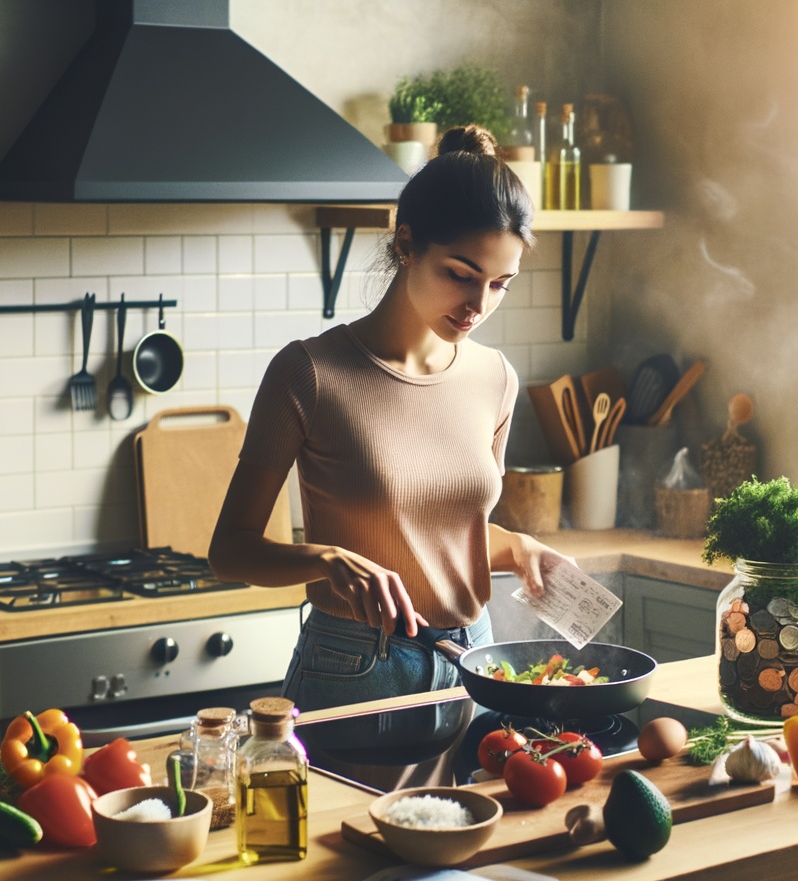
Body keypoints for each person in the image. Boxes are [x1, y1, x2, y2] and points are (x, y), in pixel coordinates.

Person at [209, 124, 572, 715]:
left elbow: (438, 534)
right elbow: (229, 551)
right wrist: (326, 559)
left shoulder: (496, 378)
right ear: (407, 244)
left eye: (500, 284)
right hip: (356, 666)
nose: (478, 305)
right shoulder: (309, 373)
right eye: (460, 274)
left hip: (474, 661)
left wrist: (517, 548)